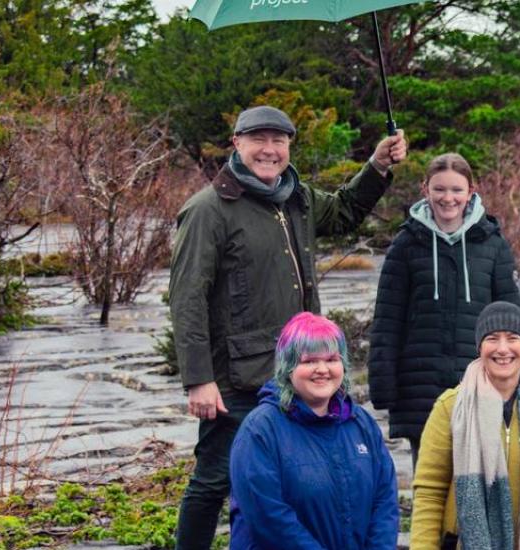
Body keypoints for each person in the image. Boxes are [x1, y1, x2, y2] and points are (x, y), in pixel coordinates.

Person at [169, 105, 406, 549]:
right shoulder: (208, 210)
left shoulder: (296, 197)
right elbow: (187, 299)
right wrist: (199, 379)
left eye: (279, 141)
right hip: (238, 378)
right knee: (213, 481)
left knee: (295, 480)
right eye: (258, 139)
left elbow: (344, 213)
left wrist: (377, 166)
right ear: (237, 144)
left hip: (299, 371)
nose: (269, 150)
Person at [368, 153, 520, 461]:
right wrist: (383, 386)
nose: (448, 198)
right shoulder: (406, 245)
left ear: (471, 191)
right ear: (425, 189)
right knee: (430, 488)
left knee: (482, 482)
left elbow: (512, 319)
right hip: (419, 390)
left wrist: (516, 377)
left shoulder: (492, 244)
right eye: (439, 189)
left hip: (481, 385)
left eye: (456, 190)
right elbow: (387, 321)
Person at [410, 301, 520, 550]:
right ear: (479, 346)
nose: (503, 349)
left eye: (512, 338)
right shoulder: (450, 406)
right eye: (492, 338)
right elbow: (429, 490)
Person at [228, 312, 399, 549]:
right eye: (309, 361)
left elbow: (385, 502)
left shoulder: (361, 424)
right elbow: (268, 517)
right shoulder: (259, 431)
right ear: (287, 367)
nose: (322, 369)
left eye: (331, 359)